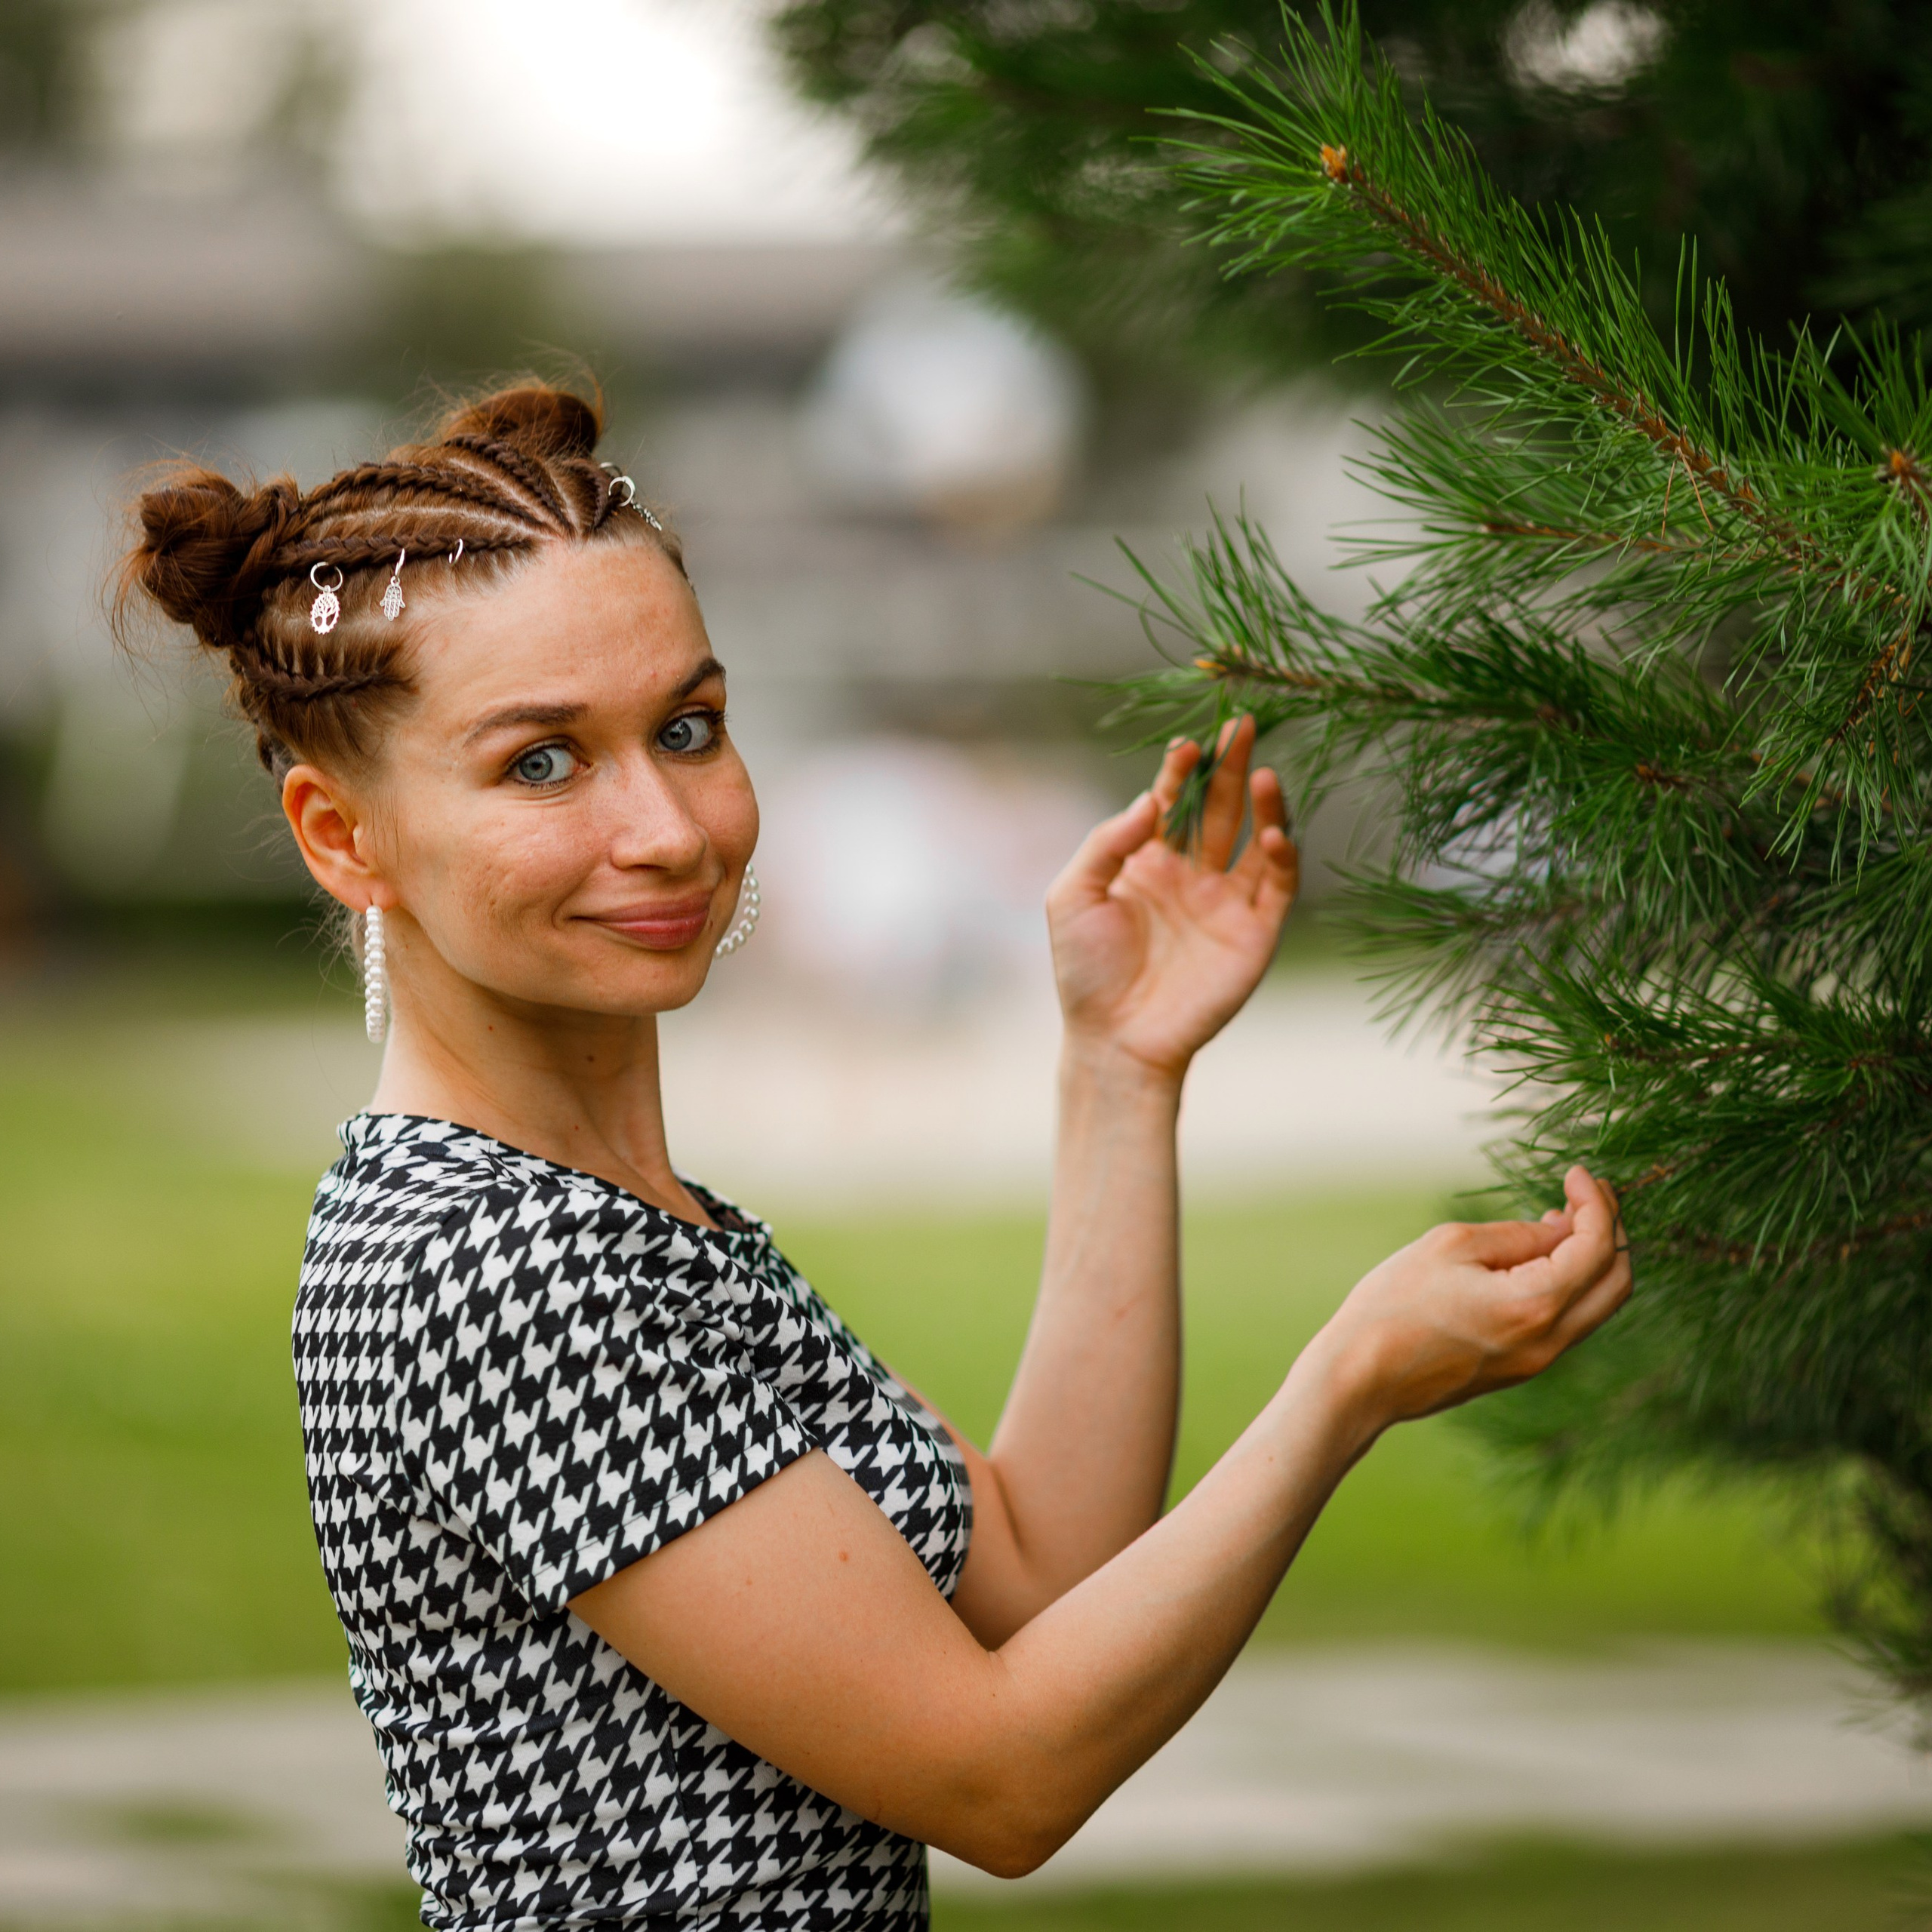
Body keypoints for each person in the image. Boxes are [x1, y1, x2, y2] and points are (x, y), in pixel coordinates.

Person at [117, 384, 1630, 1932]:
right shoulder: (492, 1267)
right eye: (543, 764)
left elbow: (1040, 1574)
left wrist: (1118, 1064)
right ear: (339, 832)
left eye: (687, 727)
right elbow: (1003, 1774)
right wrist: (1343, 1387)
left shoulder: (642, 1229)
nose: (665, 826)